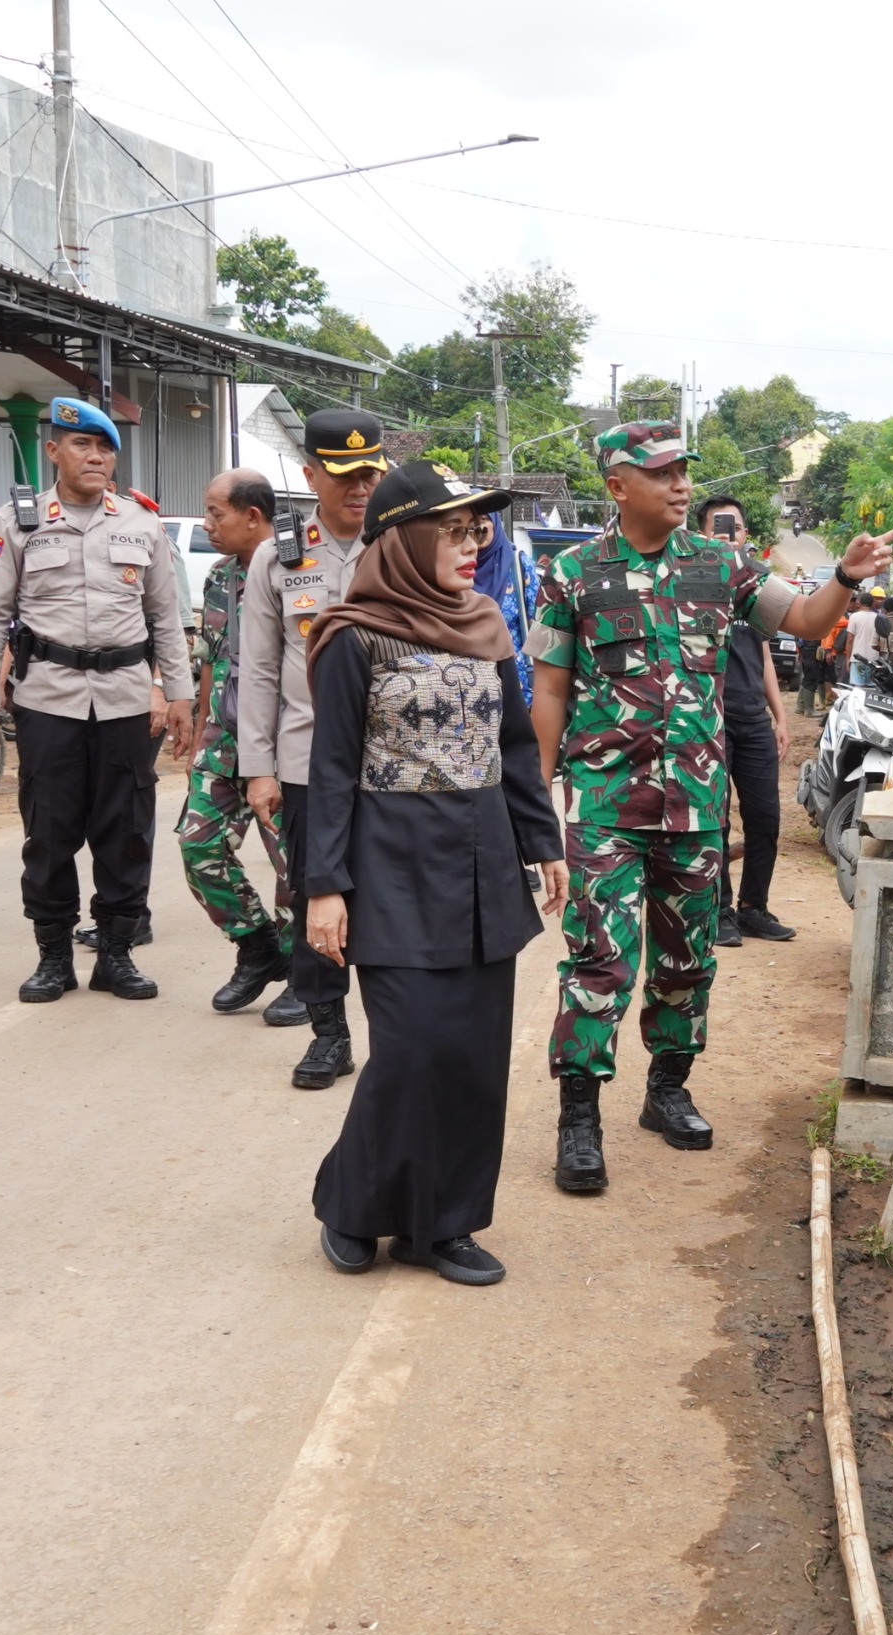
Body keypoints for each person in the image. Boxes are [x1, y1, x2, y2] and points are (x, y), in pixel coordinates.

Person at [529, 420, 893, 1194]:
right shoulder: (571, 574)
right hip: (604, 803)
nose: (681, 484)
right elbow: (552, 688)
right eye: (662, 472)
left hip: (695, 805)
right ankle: (579, 1119)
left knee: (687, 962)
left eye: (684, 471)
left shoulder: (723, 566)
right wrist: (539, 798)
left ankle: (667, 1090)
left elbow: (803, 620)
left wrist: (847, 575)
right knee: (600, 962)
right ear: (617, 485)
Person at [304, 462, 568, 1285]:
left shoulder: (485, 623)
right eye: (452, 531)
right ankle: (353, 1202)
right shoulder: (355, 636)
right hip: (393, 866)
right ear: (407, 539)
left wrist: (543, 839)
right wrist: (323, 886)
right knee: (412, 1051)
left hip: (484, 863)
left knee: (471, 1055)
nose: (470, 544)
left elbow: (517, 749)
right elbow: (333, 767)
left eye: (475, 530)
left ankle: (441, 1226)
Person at [0, 396, 191, 1003]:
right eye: (83, 445)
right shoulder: (18, 523)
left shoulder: (142, 524)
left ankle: (116, 953)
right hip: (47, 699)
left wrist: (179, 696)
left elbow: (167, 620)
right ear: (55, 451)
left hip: (124, 700)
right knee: (50, 828)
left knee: (127, 829)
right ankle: (53, 956)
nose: (96, 457)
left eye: (106, 446)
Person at [241, 409, 387, 1086]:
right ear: (310, 475)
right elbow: (261, 668)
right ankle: (329, 1034)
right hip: (304, 762)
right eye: (344, 475)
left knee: (390, 898)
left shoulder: (401, 541)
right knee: (313, 897)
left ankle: (395, 1033)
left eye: (369, 474)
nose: (360, 488)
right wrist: (258, 769)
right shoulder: (280, 554)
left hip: (393, 762)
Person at [177, 470, 295, 1014]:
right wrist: (203, 730)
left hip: (282, 742)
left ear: (253, 516)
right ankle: (258, 946)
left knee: (294, 866)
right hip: (223, 740)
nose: (208, 526)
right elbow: (211, 660)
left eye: (215, 514)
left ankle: (307, 973)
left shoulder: (299, 572)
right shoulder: (219, 576)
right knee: (197, 846)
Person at [698, 497, 796, 950]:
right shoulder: (692, 579)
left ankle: (754, 908)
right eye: (720, 527)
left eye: (735, 527)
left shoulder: (755, 583)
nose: (728, 533)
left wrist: (779, 716)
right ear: (701, 533)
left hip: (753, 719)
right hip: (709, 721)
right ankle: (719, 912)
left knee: (765, 819)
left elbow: (763, 655)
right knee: (715, 822)